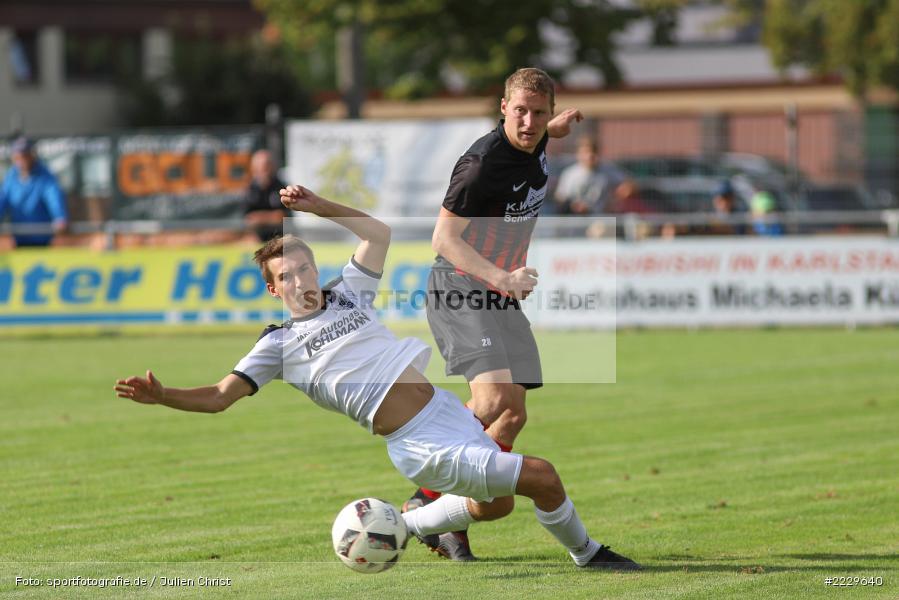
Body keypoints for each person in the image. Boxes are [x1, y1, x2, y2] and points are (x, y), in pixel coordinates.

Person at [113, 185, 640, 571]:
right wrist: (164, 396)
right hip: (417, 443)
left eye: (304, 267)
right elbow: (218, 397)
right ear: (274, 291)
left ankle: (406, 523)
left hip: (445, 413)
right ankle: (588, 555)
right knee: (542, 476)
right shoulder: (276, 344)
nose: (299, 279)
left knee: (496, 504)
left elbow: (377, 233)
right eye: (286, 276)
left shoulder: (349, 292)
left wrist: (320, 208)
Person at [415, 67, 585, 560]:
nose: (528, 122)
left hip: (499, 294)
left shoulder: (536, 140)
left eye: (538, 113)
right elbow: (443, 240)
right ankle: (422, 488)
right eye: (520, 112)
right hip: (462, 285)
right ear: (502, 110)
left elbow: (537, 137)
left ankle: (436, 512)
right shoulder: (481, 166)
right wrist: (505, 277)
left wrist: (557, 128)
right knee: (490, 401)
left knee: (511, 415)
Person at [0, 136, 67, 247]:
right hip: (19, 239)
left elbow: (54, 197)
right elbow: (2, 199)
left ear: (32, 155)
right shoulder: (11, 176)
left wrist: (59, 217)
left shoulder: (45, 175)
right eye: (18, 156)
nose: (22, 159)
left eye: (25, 155)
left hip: (42, 240)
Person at [554, 136, 623, 215]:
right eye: (586, 152)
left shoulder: (608, 170)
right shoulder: (569, 174)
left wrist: (618, 195)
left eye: (593, 152)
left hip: (600, 219)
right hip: (575, 220)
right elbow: (560, 197)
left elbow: (628, 185)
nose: (590, 156)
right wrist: (573, 206)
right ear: (578, 154)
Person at [243, 149, 289, 241]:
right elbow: (248, 219)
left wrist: (260, 218)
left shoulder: (281, 187)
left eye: (267, 165)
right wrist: (270, 217)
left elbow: (281, 217)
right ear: (254, 168)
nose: (264, 169)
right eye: (261, 166)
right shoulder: (250, 189)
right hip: (256, 238)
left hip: (279, 237)